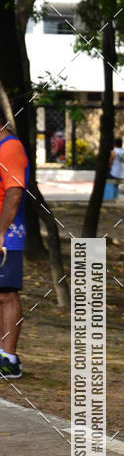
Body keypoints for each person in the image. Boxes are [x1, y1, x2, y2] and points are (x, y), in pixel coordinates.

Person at [0, 110, 29, 379]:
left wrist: (1, 231)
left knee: (6, 294)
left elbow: (15, 191)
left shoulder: (10, 148)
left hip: (7, 235)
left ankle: (9, 359)